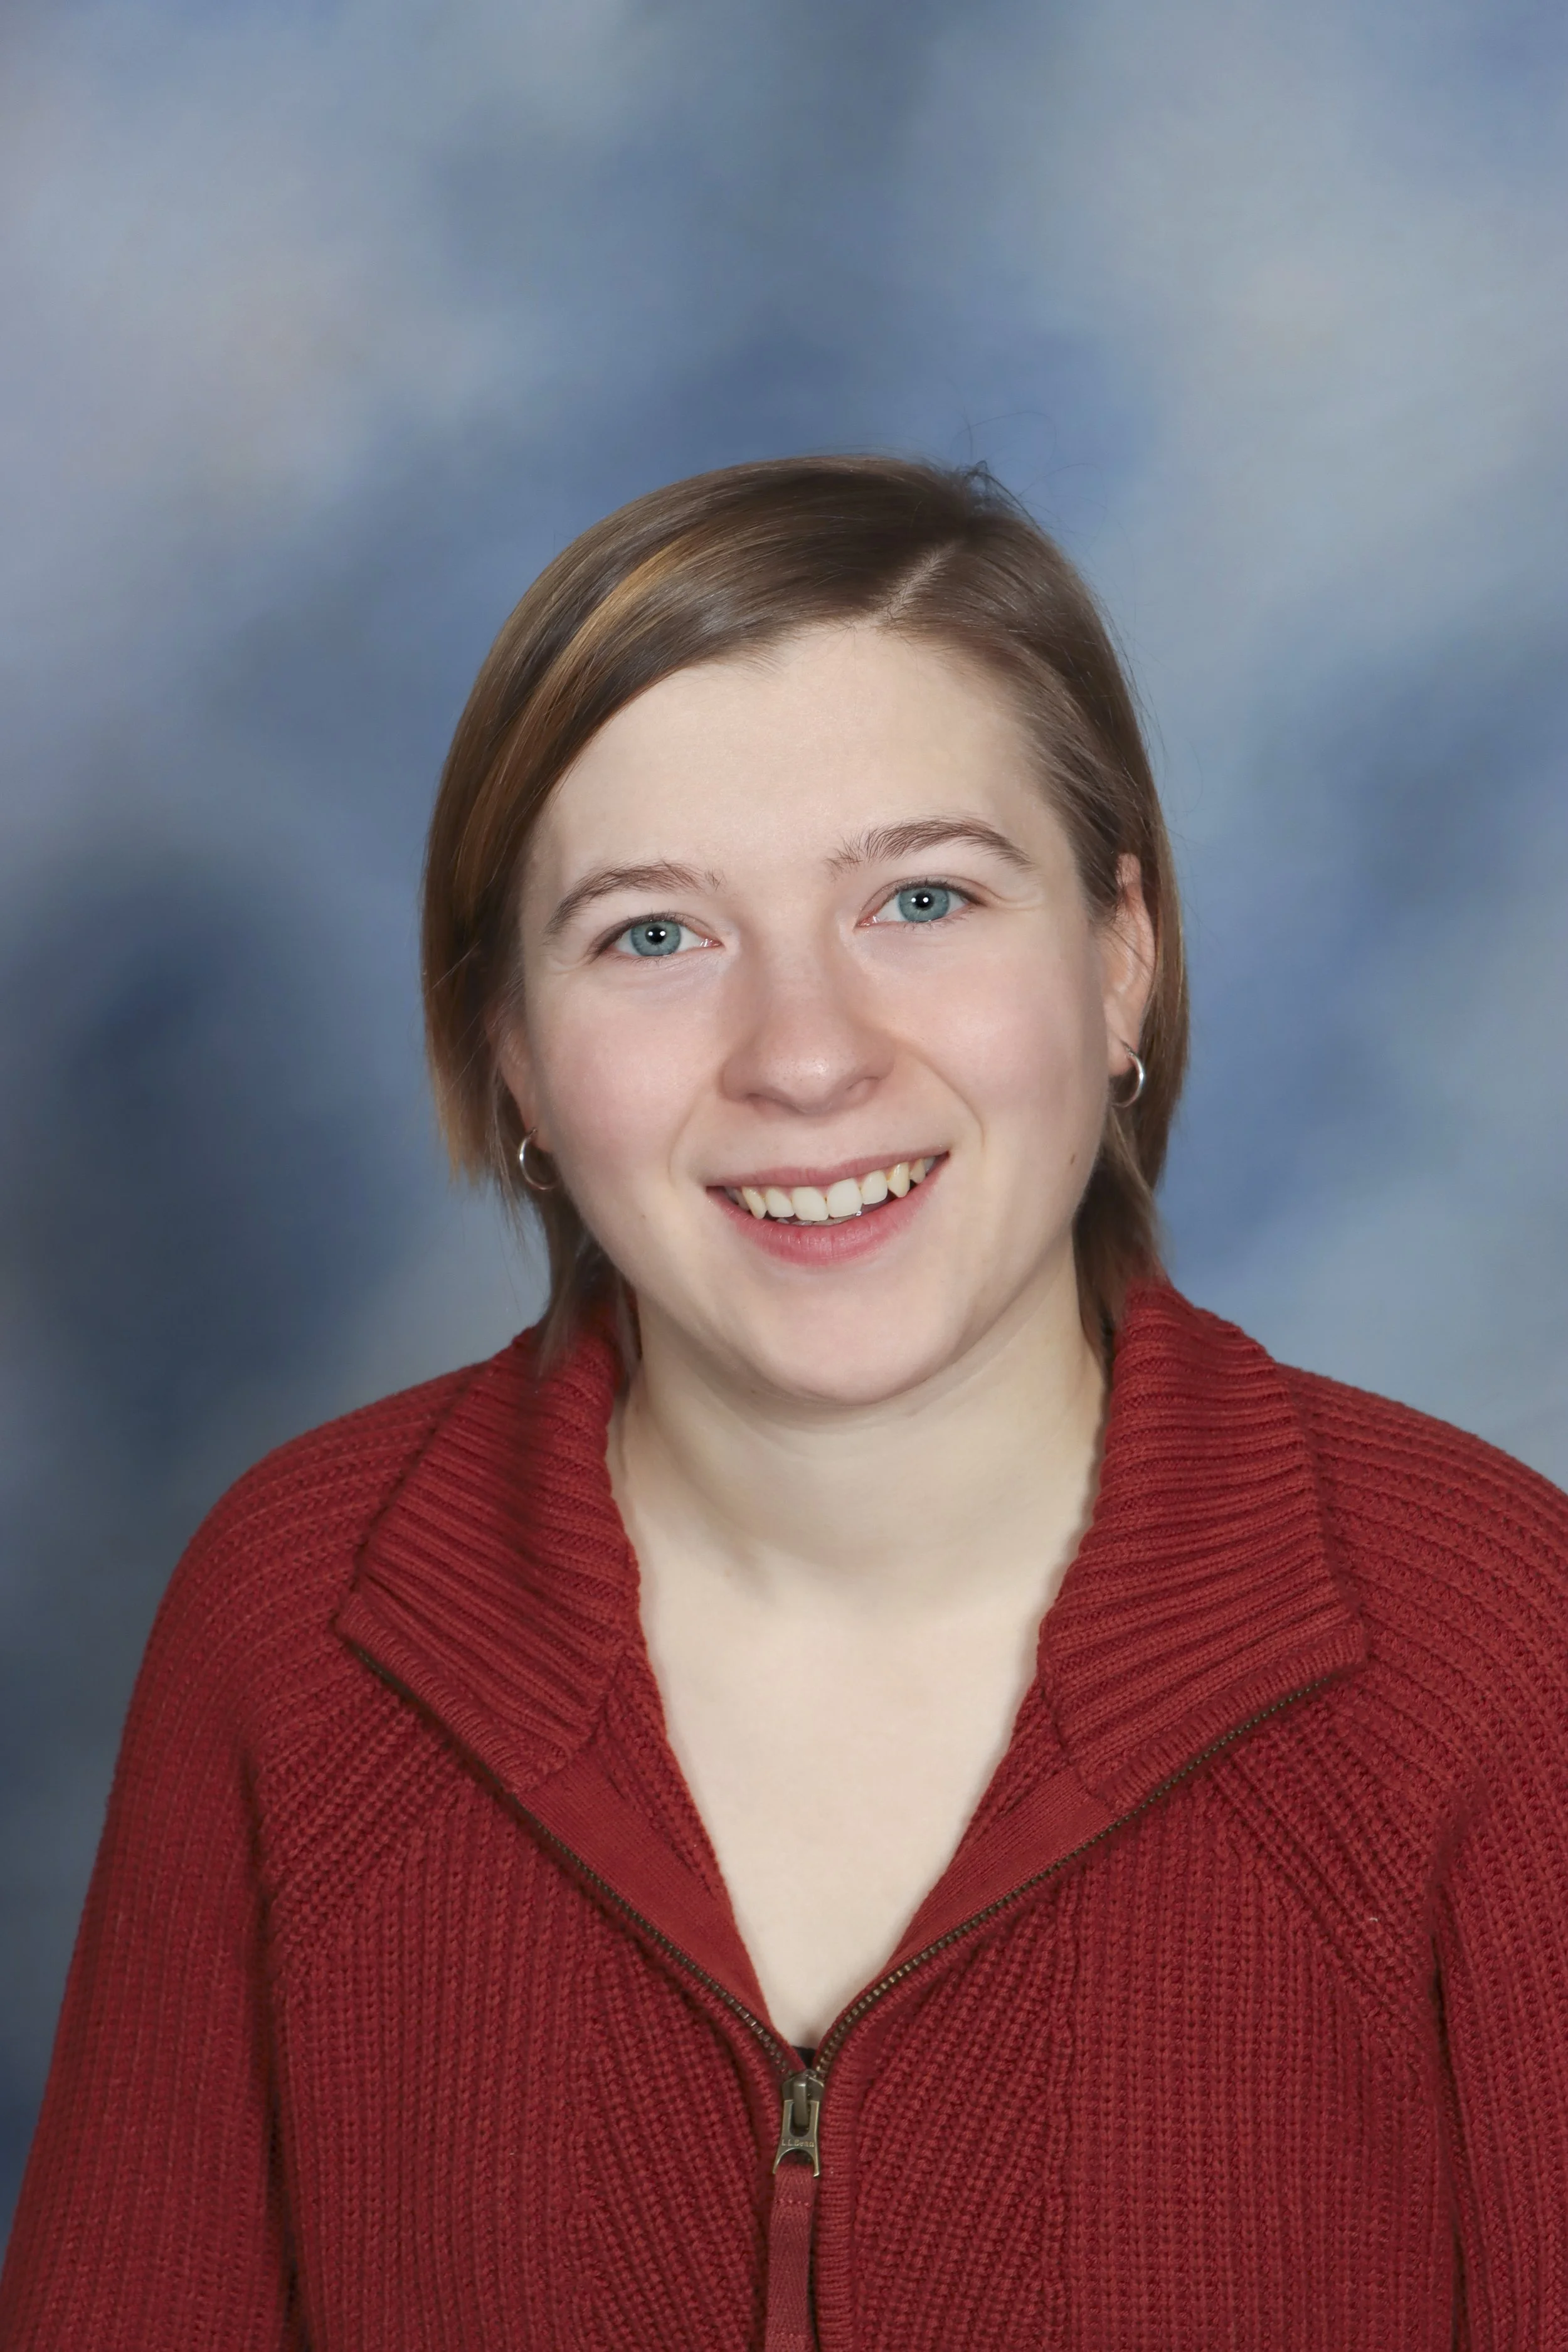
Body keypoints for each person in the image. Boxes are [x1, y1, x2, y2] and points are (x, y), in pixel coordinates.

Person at [2, 455, 1565, 2352]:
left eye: (920, 896)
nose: (806, 1055)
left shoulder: (1491, 1646)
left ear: (1117, 956)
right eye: (652, 934)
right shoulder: (297, 1623)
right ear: (506, 1045)